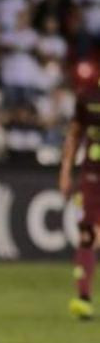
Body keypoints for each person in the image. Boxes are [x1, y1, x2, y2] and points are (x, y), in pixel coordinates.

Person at [59, 78, 100, 320]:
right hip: (92, 175)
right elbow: (74, 135)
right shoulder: (88, 97)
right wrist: (65, 171)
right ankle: (83, 298)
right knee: (87, 233)